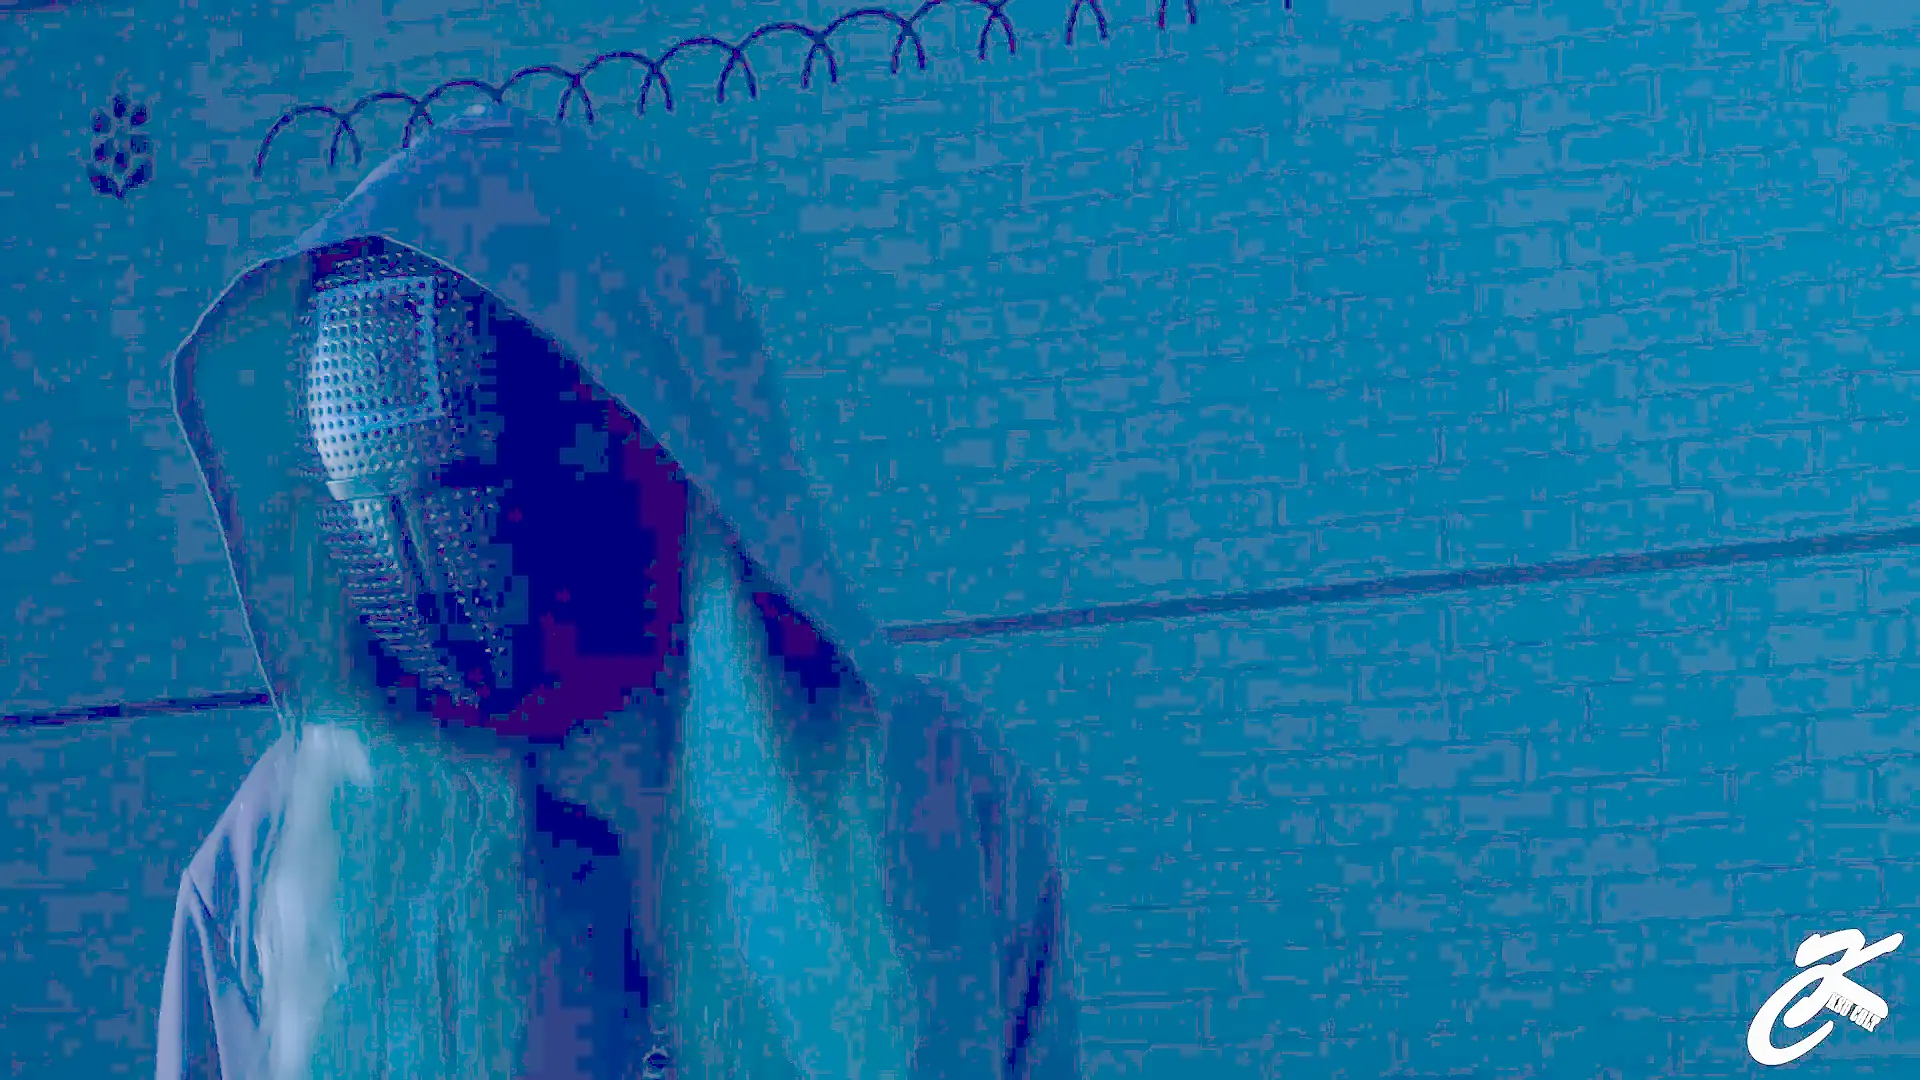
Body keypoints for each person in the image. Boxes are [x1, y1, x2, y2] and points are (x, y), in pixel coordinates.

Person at [155, 104, 1077, 1080]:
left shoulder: (927, 799)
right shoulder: (270, 867)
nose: (433, 538)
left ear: (660, 423)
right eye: (390, 479)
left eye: (478, 456)